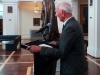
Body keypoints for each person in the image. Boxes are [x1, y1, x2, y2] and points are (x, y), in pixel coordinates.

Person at [27, 2, 88, 75]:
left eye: (56, 12)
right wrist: (57, 43)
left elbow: (61, 53)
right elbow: (70, 42)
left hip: (72, 69)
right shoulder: (71, 23)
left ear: (62, 12)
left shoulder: (71, 27)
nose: (55, 15)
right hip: (75, 66)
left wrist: (40, 49)